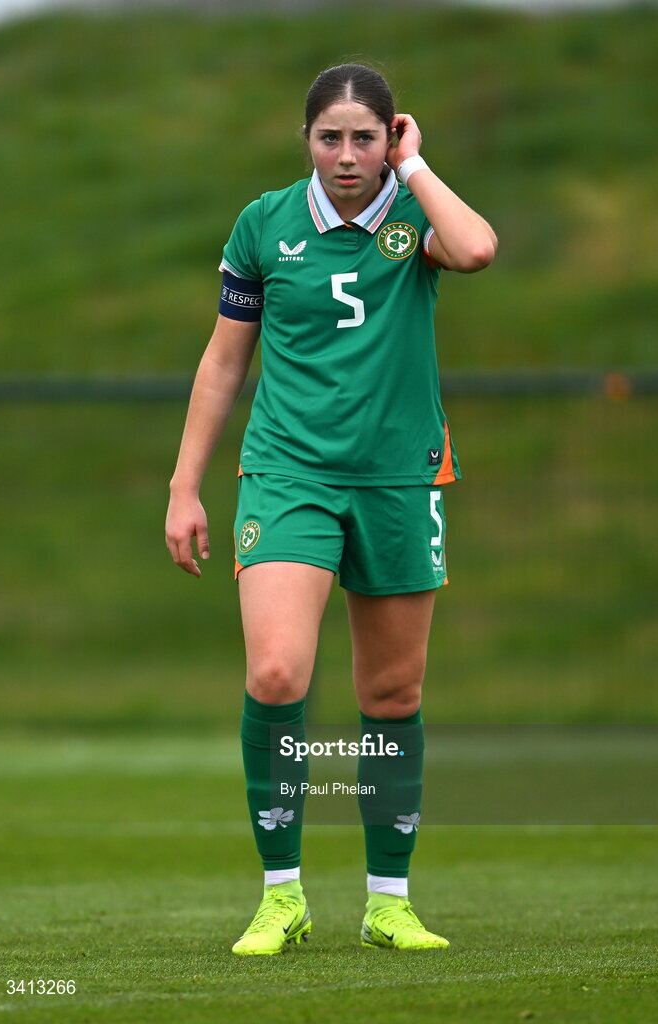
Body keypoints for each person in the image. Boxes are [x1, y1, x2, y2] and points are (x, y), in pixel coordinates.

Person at [166, 63, 497, 955]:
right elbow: (225, 363)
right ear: (305, 140)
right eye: (329, 137)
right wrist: (183, 485)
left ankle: (388, 902)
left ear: (392, 137)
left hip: (398, 478)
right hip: (287, 472)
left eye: (365, 137)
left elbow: (475, 251)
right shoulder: (266, 224)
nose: (347, 156)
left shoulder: (415, 213)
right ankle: (283, 895)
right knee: (277, 672)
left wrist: (418, 170)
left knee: (391, 693)